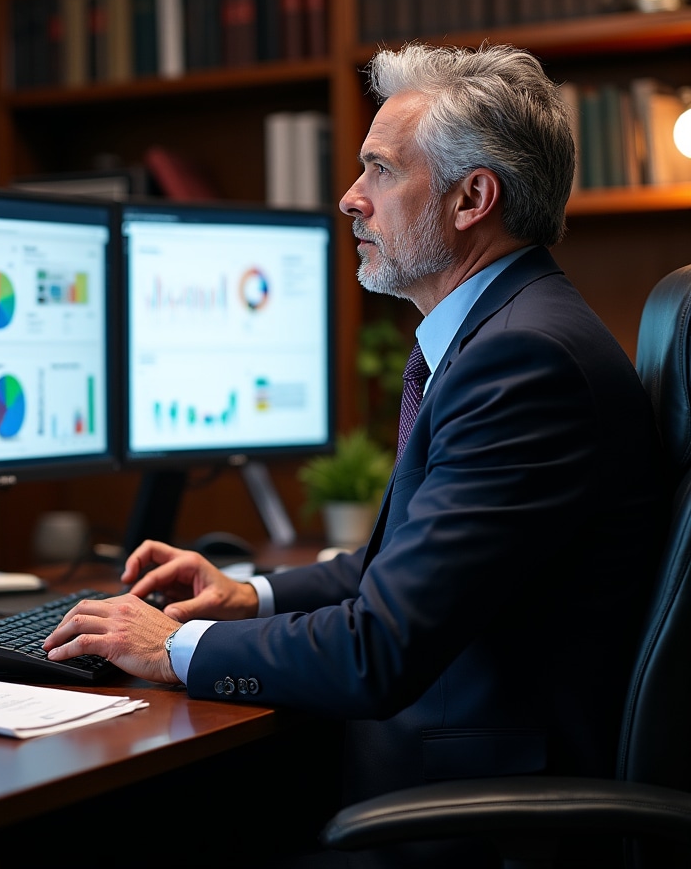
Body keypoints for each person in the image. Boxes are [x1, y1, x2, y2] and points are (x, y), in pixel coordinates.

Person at [43, 42, 668, 867]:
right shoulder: (508, 334)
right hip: (433, 768)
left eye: (379, 170)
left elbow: (380, 646)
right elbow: (396, 568)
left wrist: (169, 647)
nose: (349, 198)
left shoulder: (526, 363)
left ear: (472, 198)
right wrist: (248, 596)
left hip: (470, 819)